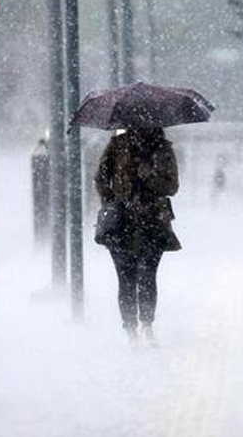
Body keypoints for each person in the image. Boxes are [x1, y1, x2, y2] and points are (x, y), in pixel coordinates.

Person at [94, 127, 181, 343]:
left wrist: (149, 176)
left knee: (148, 276)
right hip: (121, 223)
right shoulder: (117, 146)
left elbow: (172, 186)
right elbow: (101, 178)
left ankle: (147, 324)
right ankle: (131, 328)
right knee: (126, 278)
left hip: (152, 221)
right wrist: (112, 201)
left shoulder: (163, 148)